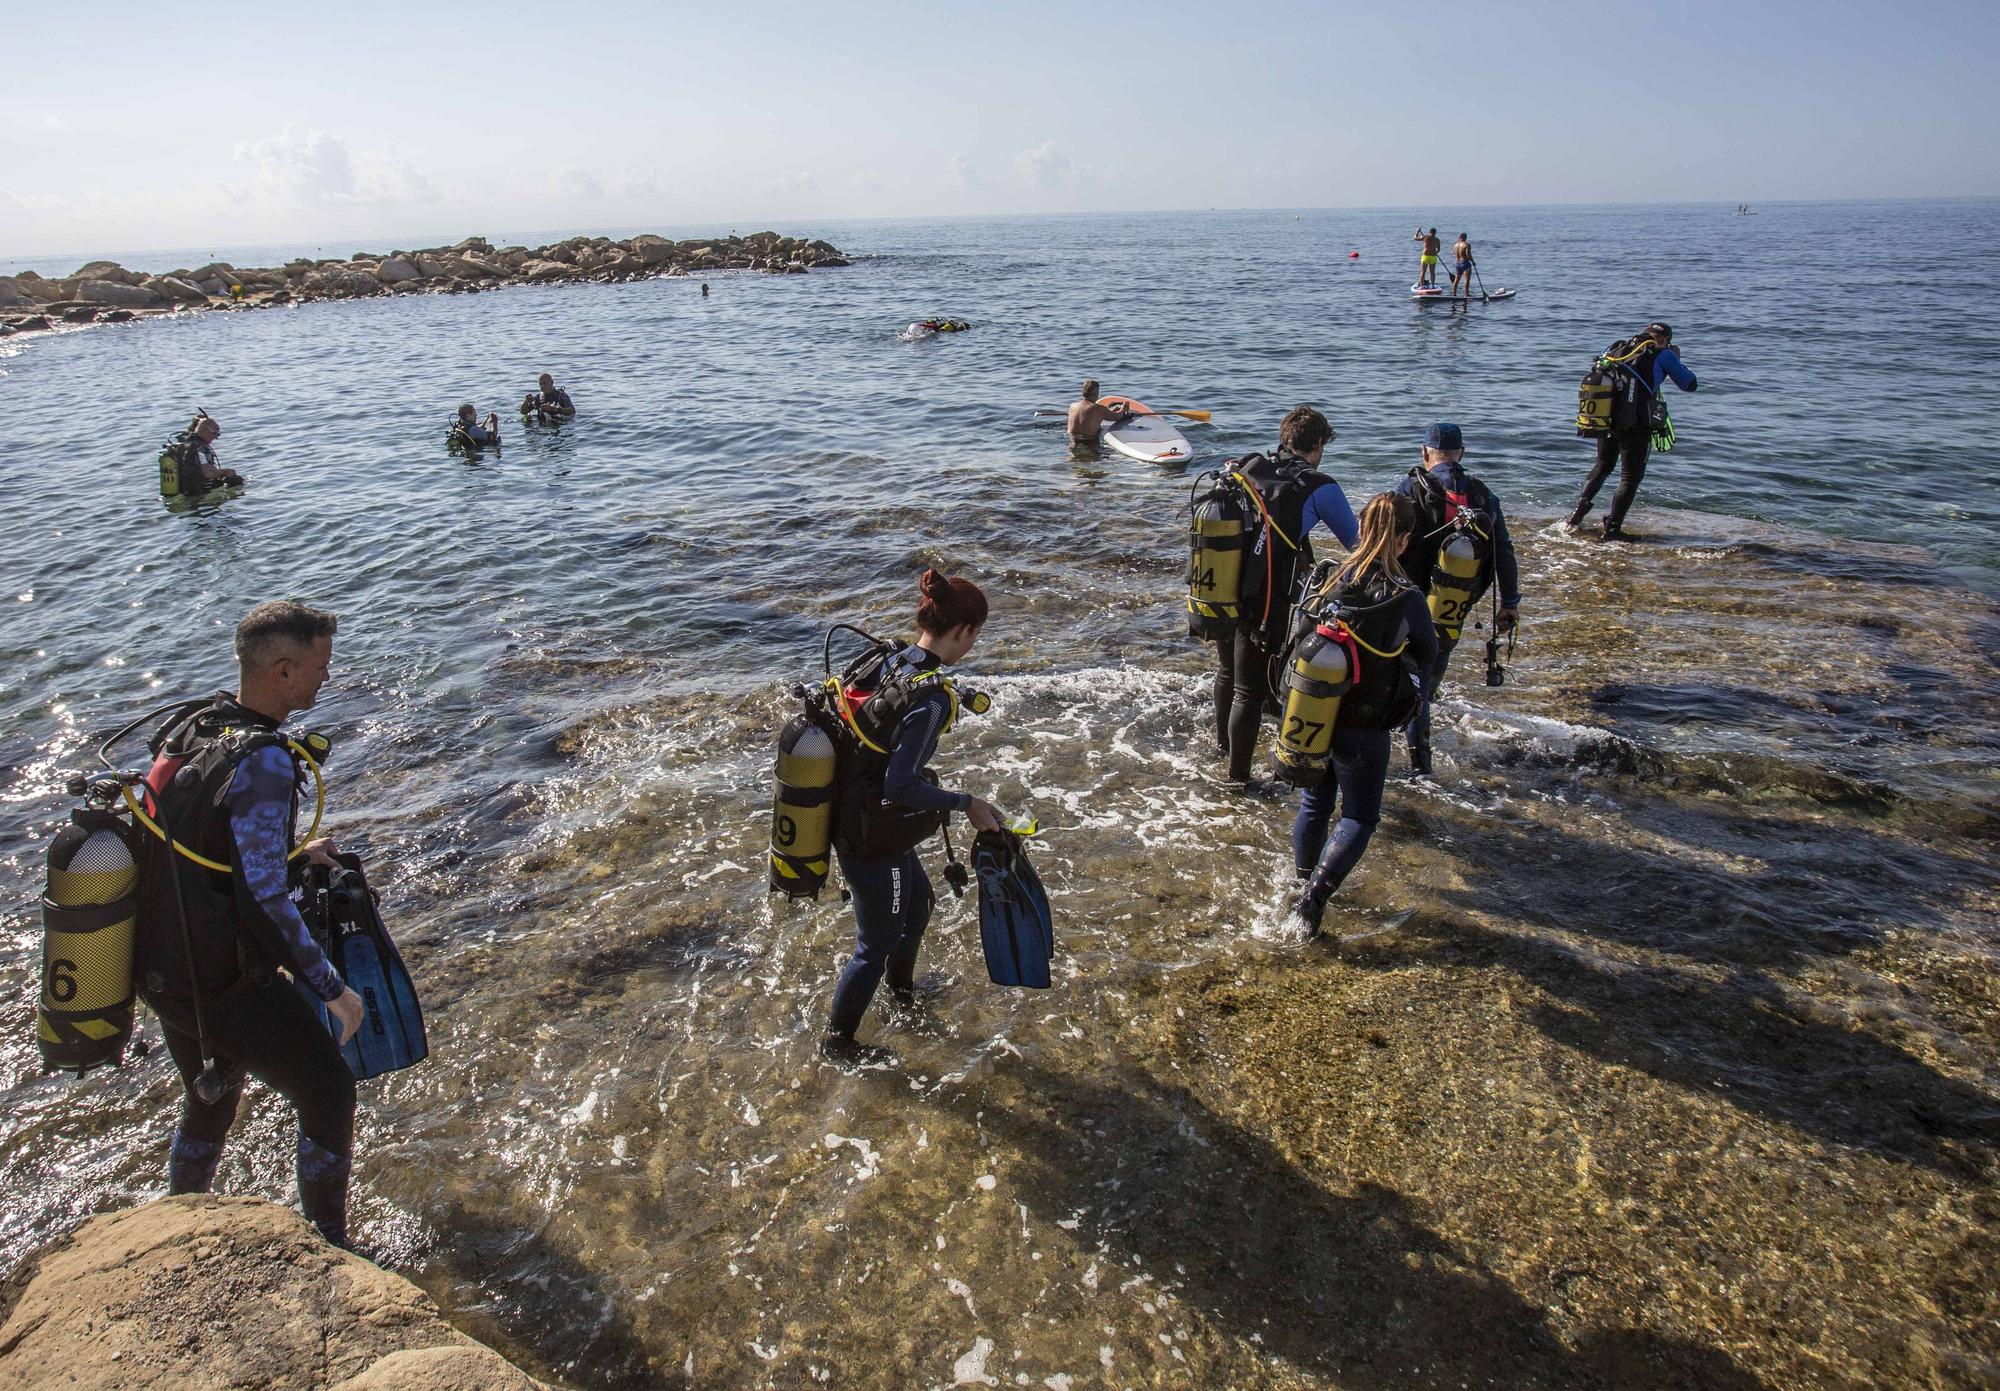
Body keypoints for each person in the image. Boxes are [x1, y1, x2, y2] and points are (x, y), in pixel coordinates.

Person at [132, 601, 365, 1247]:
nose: (326, 678)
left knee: (211, 1095)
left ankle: (180, 1218)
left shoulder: (195, 724)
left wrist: (293, 854)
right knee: (328, 1091)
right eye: (319, 666)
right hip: (224, 981)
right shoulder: (264, 760)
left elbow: (201, 845)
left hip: (160, 967)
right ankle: (331, 1242)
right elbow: (262, 897)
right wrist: (331, 990)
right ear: (284, 670)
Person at [825, 570, 1007, 1056]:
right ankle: (837, 1042)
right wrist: (967, 803)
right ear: (965, 632)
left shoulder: (893, 657)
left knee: (919, 905)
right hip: (868, 834)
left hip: (855, 813)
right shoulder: (928, 703)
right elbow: (900, 783)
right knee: (875, 942)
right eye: (977, 636)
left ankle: (901, 995)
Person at [1288, 493, 1437, 936]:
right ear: (1405, 541)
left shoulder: (1330, 578)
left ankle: (1300, 880)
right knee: (1359, 817)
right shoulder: (1404, 595)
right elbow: (1428, 652)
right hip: (1363, 722)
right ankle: (1312, 901)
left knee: (1314, 801)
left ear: (1360, 524)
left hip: (1314, 708)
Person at [1214, 404, 1360, 788]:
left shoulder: (1249, 469)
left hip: (1221, 584)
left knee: (1228, 673)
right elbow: (1357, 543)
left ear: (1284, 438)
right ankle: (1238, 779)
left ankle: (1222, 748)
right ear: (1318, 445)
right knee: (1249, 690)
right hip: (1264, 600)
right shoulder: (1319, 485)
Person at [1393, 423, 1520, 775]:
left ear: (1424, 452)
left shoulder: (1409, 488)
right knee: (1432, 670)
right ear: (1461, 453)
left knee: (1409, 680)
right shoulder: (1482, 495)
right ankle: (1419, 731)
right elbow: (1504, 552)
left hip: (1407, 602)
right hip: (1454, 601)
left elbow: (1381, 540)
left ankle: (1419, 763)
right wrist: (1510, 602)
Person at [1566, 322, 1698, 540]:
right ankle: (1612, 530)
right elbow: (1689, 384)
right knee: (1630, 477)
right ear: (1664, 339)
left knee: (1602, 466)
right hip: (1637, 424)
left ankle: (1574, 517)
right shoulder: (1663, 354)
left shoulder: (1617, 348)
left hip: (1607, 418)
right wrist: (1675, 357)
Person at [161, 411, 244, 496]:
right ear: (205, 431)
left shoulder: (185, 441)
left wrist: (196, 423)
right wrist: (226, 472)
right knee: (237, 483)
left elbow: (193, 431)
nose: (216, 438)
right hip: (200, 493)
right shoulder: (200, 448)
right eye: (215, 434)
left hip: (183, 489)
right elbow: (207, 472)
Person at [1065, 379, 1132, 447]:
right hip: (1090, 443)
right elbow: (1118, 417)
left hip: (1072, 440)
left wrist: (1109, 410)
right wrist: (1122, 409)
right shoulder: (1098, 409)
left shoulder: (1072, 406)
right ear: (1097, 393)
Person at [1449, 233, 1473, 300]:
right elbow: (1468, 255)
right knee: (1467, 279)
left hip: (1458, 263)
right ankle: (1466, 294)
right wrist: (1473, 261)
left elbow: (1455, 253)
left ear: (1459, 237)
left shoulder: (1455, 245)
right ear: (1465, 237)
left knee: (1456, 280)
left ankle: (1454, 294)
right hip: (1465, 262)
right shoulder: (1467, 245)